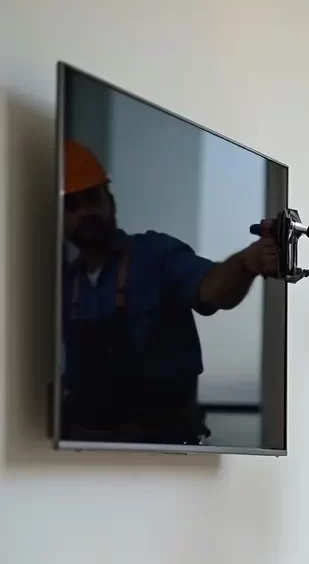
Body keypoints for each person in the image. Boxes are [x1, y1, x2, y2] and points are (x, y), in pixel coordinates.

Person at [61, 140, 278, 444]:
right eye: (72, 205)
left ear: (110, 201)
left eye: (92, 199)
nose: (86, 213)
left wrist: (246, 263)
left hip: (165, 450)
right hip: (82, 455)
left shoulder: (156, 255)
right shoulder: (61, 284)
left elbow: (213, 291)